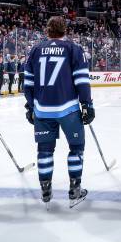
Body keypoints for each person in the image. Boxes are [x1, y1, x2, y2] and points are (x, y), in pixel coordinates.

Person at [24, 16, 94, 208]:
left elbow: (27, 83)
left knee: (44, 151)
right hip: (68, 109)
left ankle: (45, 191)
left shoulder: (36, 50)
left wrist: (30, 105)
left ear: (48, 30)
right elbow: (81, 80)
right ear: (65, 30)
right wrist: (87, 104)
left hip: (43, 110)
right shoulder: (73, 49)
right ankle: (75, 189)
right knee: (76, 148)